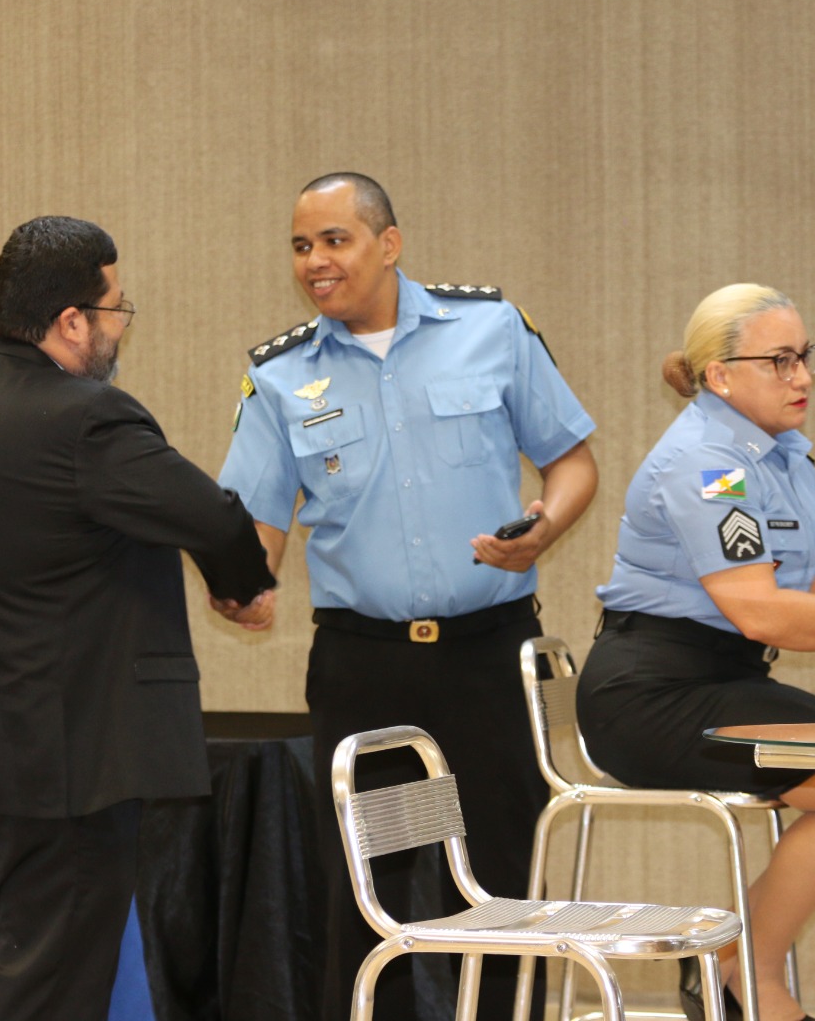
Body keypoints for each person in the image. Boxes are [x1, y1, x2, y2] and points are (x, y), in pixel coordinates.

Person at [0, 215, 276, 1021]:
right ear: (71, 320)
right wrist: (240, 588)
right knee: (51, 982)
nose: (120, 329)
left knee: (33, 946)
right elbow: (213, 517)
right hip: (75, 751)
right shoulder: (87, 418)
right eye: (117, 309)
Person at [216, 173, 598, 1020]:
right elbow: (255, 534)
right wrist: (240, 589)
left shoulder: (489, 330)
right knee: (373, 894)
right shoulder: (282, 379)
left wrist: (545, 526)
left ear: (388, 244)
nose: (315, 262)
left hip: (488, 660)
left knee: (505, 886)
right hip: (370, 675)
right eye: (299, 245)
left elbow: (571, 463)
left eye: (333, 240)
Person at [574, 283, 815, 1021]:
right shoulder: (706, 462)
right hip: (650, 695)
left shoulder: (780, 456)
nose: (801, 377)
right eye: (779, 360)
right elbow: (757, 611)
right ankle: (747, 980)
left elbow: (813, 589)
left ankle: (733, 967)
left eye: (805, 357)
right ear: (720, 375)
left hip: (720, 678)